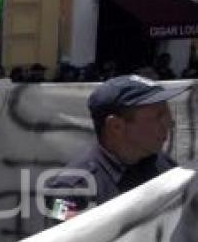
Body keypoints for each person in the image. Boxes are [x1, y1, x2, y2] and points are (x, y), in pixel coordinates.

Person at [44, 75, 187, 222]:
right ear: (116, 126)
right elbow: (63, 232)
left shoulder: (164, 165)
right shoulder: (69, 190)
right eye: (158, 116)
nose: (169, 123)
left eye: (167, 113)